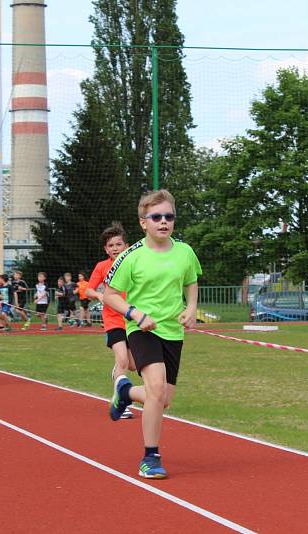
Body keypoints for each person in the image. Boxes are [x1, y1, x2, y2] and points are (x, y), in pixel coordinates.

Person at [104, 190, 201, 479]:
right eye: (156, 217)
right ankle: (150, 457)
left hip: (172, 331)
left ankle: (125, 392)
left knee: (163, 398)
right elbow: (110, 295)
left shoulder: (185, 251)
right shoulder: (130, 256)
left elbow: (191, 281)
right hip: (141, 330)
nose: (163, 222)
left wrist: (192, 307)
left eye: (168, 216)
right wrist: (135, 314)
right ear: (143, 222)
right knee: (156, 389)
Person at [86, 222, 136, 419]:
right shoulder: (102, 266)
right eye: (111, 246)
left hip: (132, 319)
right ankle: (121, 402)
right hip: (113, 320)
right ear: (106, 249)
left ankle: (118, 372)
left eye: (118, 244)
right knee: (122, 359)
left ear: (126, 245)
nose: (115, 248)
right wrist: (99, 296)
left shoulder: (134, 263)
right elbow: (89, 289)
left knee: (132, 365)